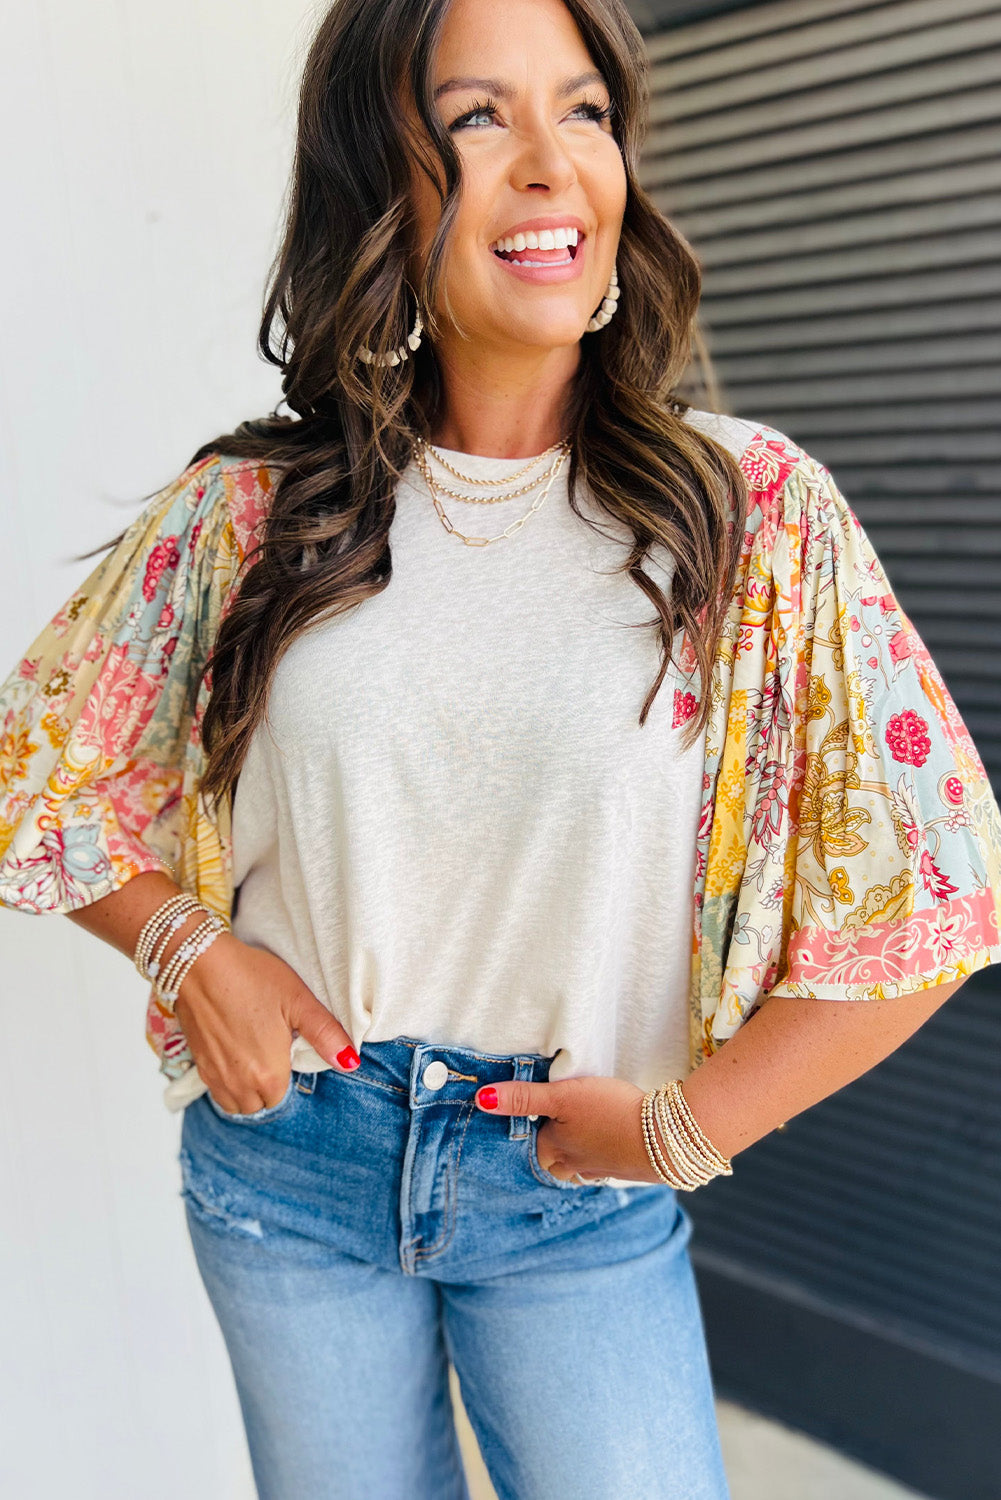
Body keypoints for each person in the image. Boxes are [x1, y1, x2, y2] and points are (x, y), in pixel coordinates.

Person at [2, 0, 1000, 1495]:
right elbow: (36, 764)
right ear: (379, 179)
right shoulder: (250, 513)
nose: (550, 162)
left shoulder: (748, 518)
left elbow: (942, 890)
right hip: (289, 1162)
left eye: (584, 110)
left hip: (570, 1186)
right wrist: (184, 949)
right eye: (478, 118)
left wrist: (685, 1129)